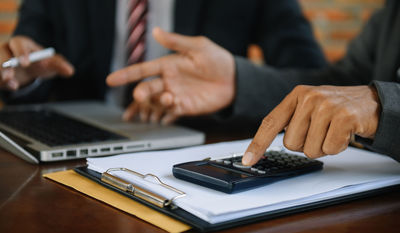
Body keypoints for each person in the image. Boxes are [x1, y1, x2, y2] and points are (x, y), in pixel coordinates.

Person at [106, 0, 400, 163]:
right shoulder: (391, 15)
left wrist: (384, 107)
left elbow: (354, 93)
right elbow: (339, 85)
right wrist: (238, 81)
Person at [0, 0, 326, 106]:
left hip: (202, 151)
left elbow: (315, 81)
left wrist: (236, 84)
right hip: (76, 148)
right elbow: (27, 60)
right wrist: (22, 77)